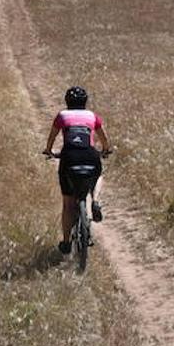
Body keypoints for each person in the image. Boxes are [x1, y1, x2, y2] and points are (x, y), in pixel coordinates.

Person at [42, 85, 110, 255]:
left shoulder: (62, 115)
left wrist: (49, 151)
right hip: (90, 156)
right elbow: (104, 139)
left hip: (69, 158)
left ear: (67, 101)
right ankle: (95, 200)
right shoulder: (92, 116)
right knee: (98, 175)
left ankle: (66, 243)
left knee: (67, 204)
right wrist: (105, 150)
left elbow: (52, 137)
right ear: (85, 101)